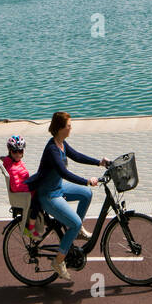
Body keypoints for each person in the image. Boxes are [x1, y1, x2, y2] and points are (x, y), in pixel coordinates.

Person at [26, 112, 108, 280]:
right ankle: (58, 261)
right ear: (60, 128)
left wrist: (99, 162)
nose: (71, 128)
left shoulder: (61, 143)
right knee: (76, 222)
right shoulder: (52, 149)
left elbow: (77, 156)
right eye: (69, 125)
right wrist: (86, 180)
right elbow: (64, 172)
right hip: (49, 195)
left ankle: (75, 231)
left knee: (86, 194)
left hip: (59, 187)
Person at [2, 134, 41, 239]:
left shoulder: (15, 162)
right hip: (23, 195)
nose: (18, 154)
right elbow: (15, 187)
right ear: (10, 151)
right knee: (38, 199)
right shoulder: (12, 168)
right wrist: (31, 187)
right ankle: (31, 227)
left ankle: (38, 221)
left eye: (21, 151)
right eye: (15, 151)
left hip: (25, 188)